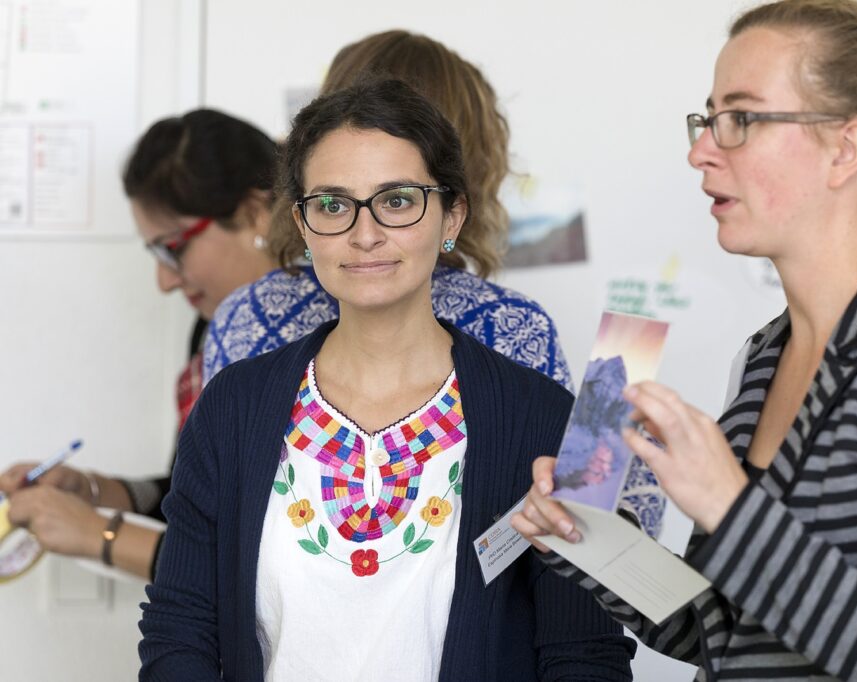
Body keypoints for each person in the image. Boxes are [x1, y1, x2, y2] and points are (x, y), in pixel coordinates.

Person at [511, 1, 857, 680]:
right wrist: (586, 541)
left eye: (742, 119)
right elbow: (717, 632)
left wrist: (729, 505)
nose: (700, 150)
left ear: (845, 148)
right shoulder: (765, 355)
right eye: (708, 119)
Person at [138, 79, 636, 681]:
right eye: (332, 205)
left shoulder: (544, 417)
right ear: (301, 224)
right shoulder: (233, 407)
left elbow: (583, 655)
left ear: (451, 214)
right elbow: (180, 627)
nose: (364, 233)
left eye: (397, 200)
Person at [202, 30, 666, 537]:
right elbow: (570, 530)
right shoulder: (509, 324)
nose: (367, 232)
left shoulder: (243, 314)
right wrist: (626, 470)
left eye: (397, 197)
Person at [0, 109, 278, 580]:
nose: (165, 281)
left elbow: (263, 565)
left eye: (174, 248)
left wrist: (100, 534)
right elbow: (189, 502)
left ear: (254, 212)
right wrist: (96, 492)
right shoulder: (210, 328)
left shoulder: (336, 339)